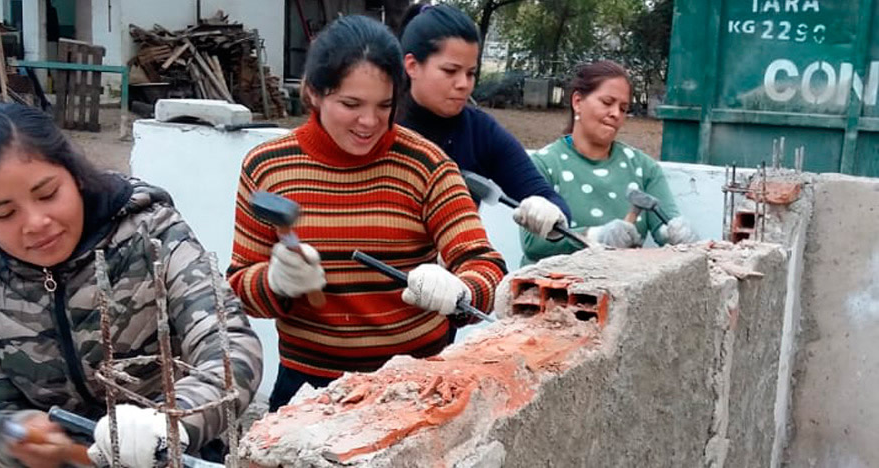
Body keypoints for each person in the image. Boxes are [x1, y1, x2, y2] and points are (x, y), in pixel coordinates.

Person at [0, 101, 263, 468]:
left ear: (75, 175)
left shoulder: (151, 236)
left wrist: (170, 423)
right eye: (4, 213)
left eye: (47, 194)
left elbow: (231, 350)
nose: (35, 222)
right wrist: (16, 437)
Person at [227, 15, 506, 412]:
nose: (369, 122)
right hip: (309, 390)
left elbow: (486, 265)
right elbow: (239, 287)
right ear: (314, 93)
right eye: (351, 104)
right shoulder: (268, 167)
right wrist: (275, 283)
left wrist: (461, 293)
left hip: (413, 385)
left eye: (385, 106)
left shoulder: (425, 164)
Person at [397, 3, 572, 244]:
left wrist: (552, 216)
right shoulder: (378, 123)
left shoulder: (480, 131)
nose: (463, 84)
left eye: (470, 73)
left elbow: (545, 196)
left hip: (456, 271)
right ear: (412, 65)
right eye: (450, 71)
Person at [521, 60, 699, 265]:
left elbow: (664, 226)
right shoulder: (544, 165)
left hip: (621, 289)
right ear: (577, 101)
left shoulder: (643, 168)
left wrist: (677, 234)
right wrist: (594, 237)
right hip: (552, 290)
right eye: (607, 102)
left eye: (623, 108)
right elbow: (532, 242)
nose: (616, 114)